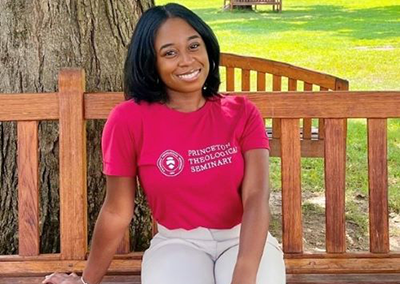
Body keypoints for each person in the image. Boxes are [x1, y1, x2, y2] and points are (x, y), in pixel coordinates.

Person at [43, 3, 286, 284]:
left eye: (194, 46)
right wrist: (86, 282)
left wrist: (244, 274)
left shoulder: (242, 112)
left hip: (244, 239)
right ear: (151, 62)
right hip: (178, 243)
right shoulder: (128, 120)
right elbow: (117, 210)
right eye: (170, 52)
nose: (186, 60)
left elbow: (256, 197)